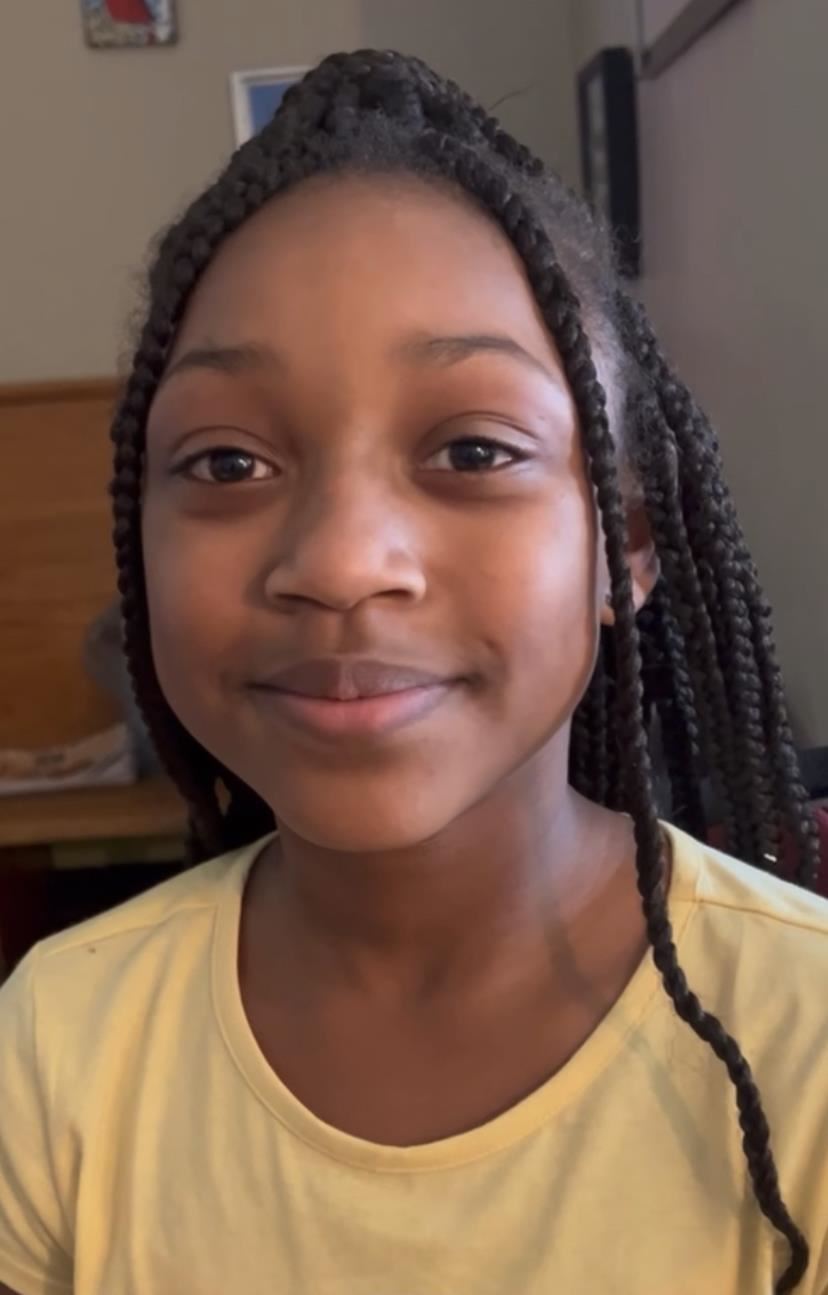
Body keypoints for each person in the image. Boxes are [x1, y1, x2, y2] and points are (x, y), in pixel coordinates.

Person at [0, 48, 826, 1295]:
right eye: (228, 464)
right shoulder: (55, 1044)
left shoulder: (806, 1038)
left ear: (627, 549)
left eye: (474, 449)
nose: (339, 563)